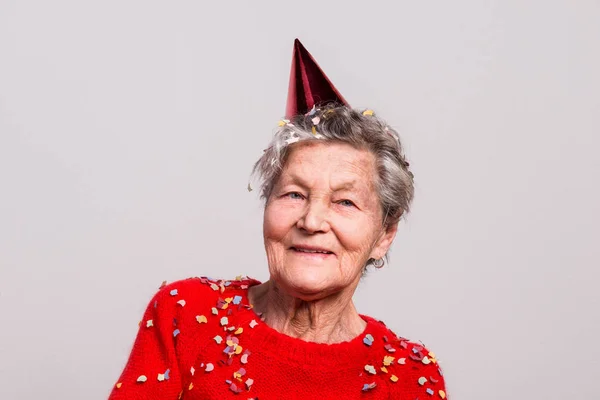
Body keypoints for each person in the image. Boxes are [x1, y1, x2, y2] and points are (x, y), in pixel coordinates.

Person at [108, 39, 448, 400]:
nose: (312, 221)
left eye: (345, 202)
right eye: (294, 195)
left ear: (385, 234)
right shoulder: (186, 312)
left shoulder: (410, 374)